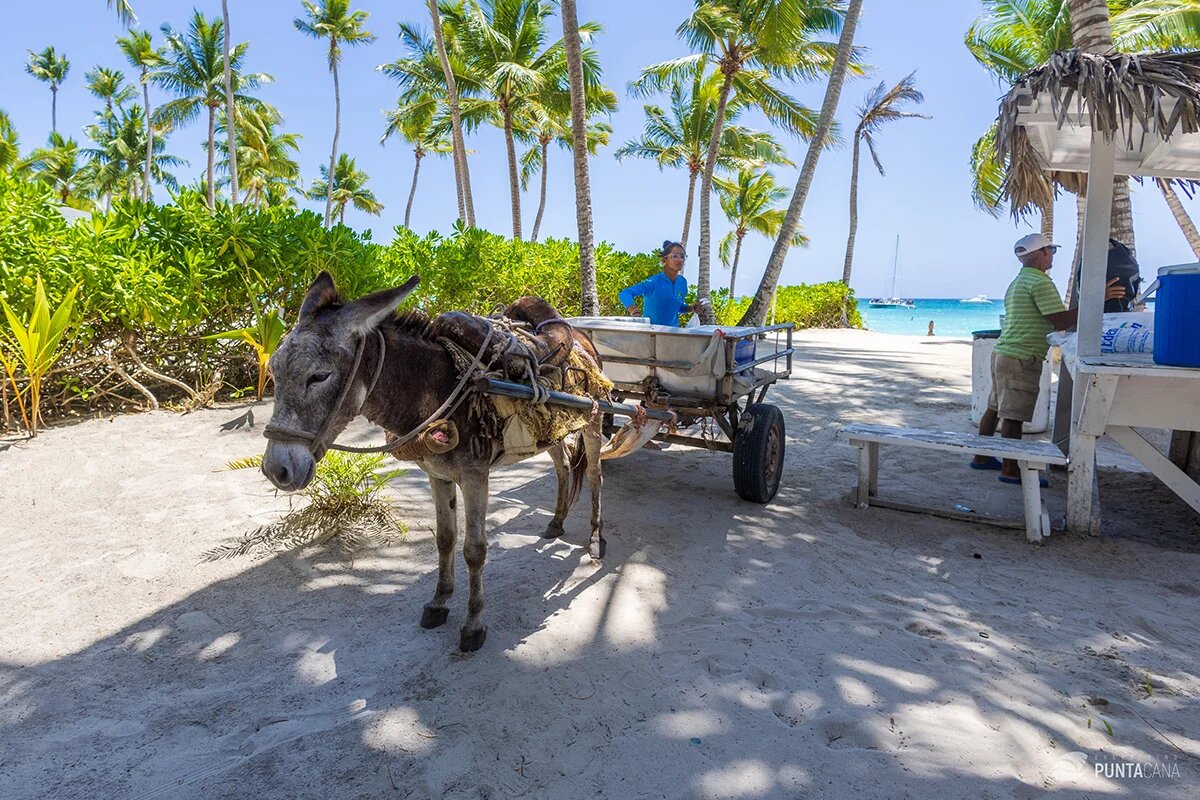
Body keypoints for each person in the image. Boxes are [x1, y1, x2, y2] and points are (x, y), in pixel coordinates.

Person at [972, 233, 1125, 484]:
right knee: (1013, 416)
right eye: (1051, 250)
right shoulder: (1041, 283)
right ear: (1042, 253)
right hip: (1022, 356)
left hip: (1003, 352)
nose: (1052, 254)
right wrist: (1098, 299)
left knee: (995, 407)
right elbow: (1060, 321)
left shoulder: (1018, 281)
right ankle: (1010, 470)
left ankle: (981, 457)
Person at [619, 240, 706, 326]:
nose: (680, 260)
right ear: (665, 260)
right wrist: (634, 311)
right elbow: (625, 293)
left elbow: (676, 306)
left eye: (682, 256)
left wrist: (691, 308)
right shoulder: (653, 282)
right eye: (675, 256)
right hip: (652, 334)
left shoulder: (682, 283)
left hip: (673, 334)